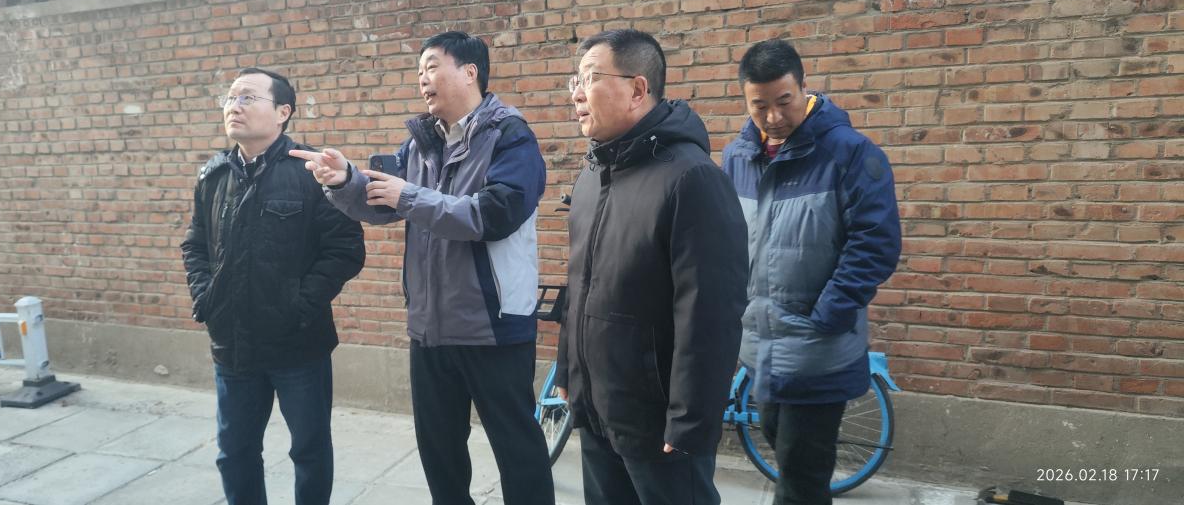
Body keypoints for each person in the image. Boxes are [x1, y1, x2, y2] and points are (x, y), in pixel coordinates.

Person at [289, 31, 555, 505]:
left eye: (432, 66)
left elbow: (494, 215)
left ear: (470, 72)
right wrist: (345, 179)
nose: (422, 79)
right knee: (440, 453)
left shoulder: (511, 137)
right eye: (419, 72)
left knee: (518, 451)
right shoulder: (420, 144)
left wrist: (408, 196)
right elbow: (383, 203)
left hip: (493, 327)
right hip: (430, 327)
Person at [552, 29, 748, 505]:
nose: (577, 94)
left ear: (638, 89)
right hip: (598, 410)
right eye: (575, 80)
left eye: (590, 78)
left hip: (658, 425)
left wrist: (690, 422)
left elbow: (710, 314)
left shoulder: (691, 178)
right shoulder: (593, 174)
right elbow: (579, 283)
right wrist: (569, 372)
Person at [721, 39, 902, 505]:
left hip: (818, 347)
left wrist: (827, 314)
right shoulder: (737, 157)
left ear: (803, 88)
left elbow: (876, 243)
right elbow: (727, 240)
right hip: (760, 346)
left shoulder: (851, 154)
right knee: (783, 450)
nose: (773, 116)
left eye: (784, 101)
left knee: (801, 481)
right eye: (759, 105)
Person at [180, 67, 366, 505]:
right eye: (230, 98)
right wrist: (207, 298)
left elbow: (345, 250)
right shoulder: (214, 175)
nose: (234, 106)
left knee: (309, 451)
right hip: (233, 344)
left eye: (247, 97)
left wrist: (298, 305)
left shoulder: (311, 172)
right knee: (235, 453)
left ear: (283, 112)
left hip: (298, 344)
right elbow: (195, 245)